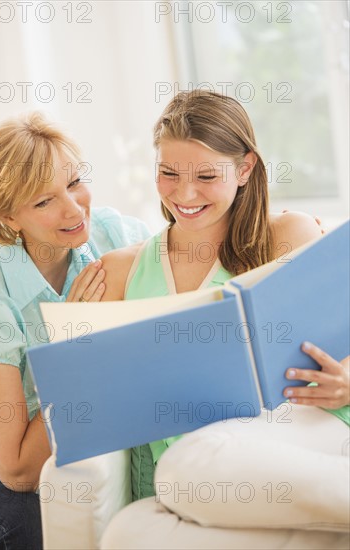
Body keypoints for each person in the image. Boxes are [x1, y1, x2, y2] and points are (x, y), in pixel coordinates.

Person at [97, 90, 350, 501]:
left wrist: (348, 385)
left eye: (207, 177)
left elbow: (342, 341)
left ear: (245, 169)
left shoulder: (287, 236)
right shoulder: (122, 270)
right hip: (191, 468)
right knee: (182, 474)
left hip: (302, 432)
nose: (185, 194)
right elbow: (94, 400)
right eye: (169, 173)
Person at [0, 112, 149, 549]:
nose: (74, 208)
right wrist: (76, 349)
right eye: (44, 202)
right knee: (28, 519)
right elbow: (17, 470)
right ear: (8, 216)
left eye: (75, 182)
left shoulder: (113, 233)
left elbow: (194, 266)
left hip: (51, 441)